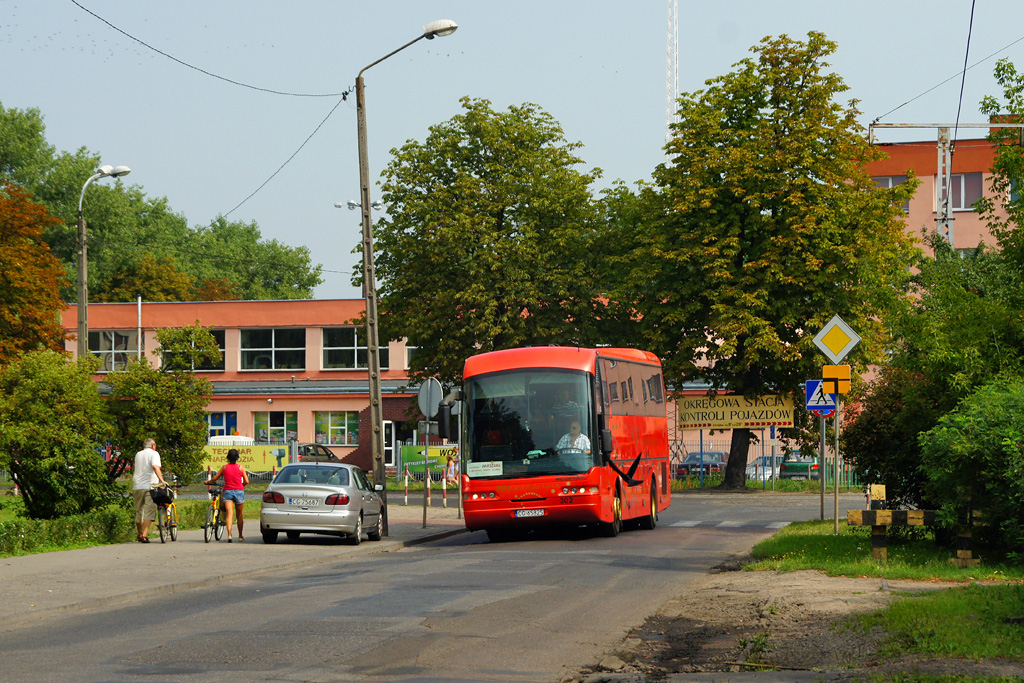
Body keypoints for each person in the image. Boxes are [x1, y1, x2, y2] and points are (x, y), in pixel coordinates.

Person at [205, 448, 250, 542]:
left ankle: (229, 534)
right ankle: (240, 535)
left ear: (228, 457)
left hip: (228, 491)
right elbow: (247, 481)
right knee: (239, 515)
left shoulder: (224, 467)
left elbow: (215, 477)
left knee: (229, 514)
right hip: (239, 491)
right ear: (237, 458)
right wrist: (241, 485)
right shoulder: (241, 467)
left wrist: (208, 482)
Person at [133, 438, 168, 543]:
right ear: (153, 446)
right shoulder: (154, 454)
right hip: (150, 486)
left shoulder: (138, 454)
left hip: (137, 486)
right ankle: (144, 535)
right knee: (149, 510)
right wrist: (162, 480)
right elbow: (155, 467)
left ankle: (139, 534)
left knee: (139, 510)